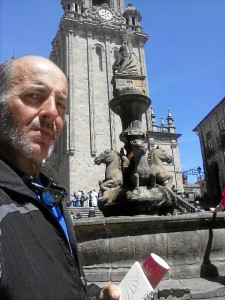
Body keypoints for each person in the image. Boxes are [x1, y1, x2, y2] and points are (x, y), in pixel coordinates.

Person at [0, 56, 120, 300]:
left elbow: (59, 282)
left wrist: (93, 296)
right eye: (34, 95)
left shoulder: (51, 195)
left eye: (61, 104)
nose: (51, 112)